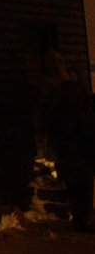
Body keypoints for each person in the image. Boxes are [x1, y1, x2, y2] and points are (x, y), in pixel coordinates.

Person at [50, 53, 95, 232]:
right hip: (81, 158)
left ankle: (80, 220)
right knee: (83, 191)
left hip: (70, 158)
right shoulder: (81, 113)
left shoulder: (61, 112)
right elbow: (88, 136)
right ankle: (82, 222)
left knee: (77, 191)